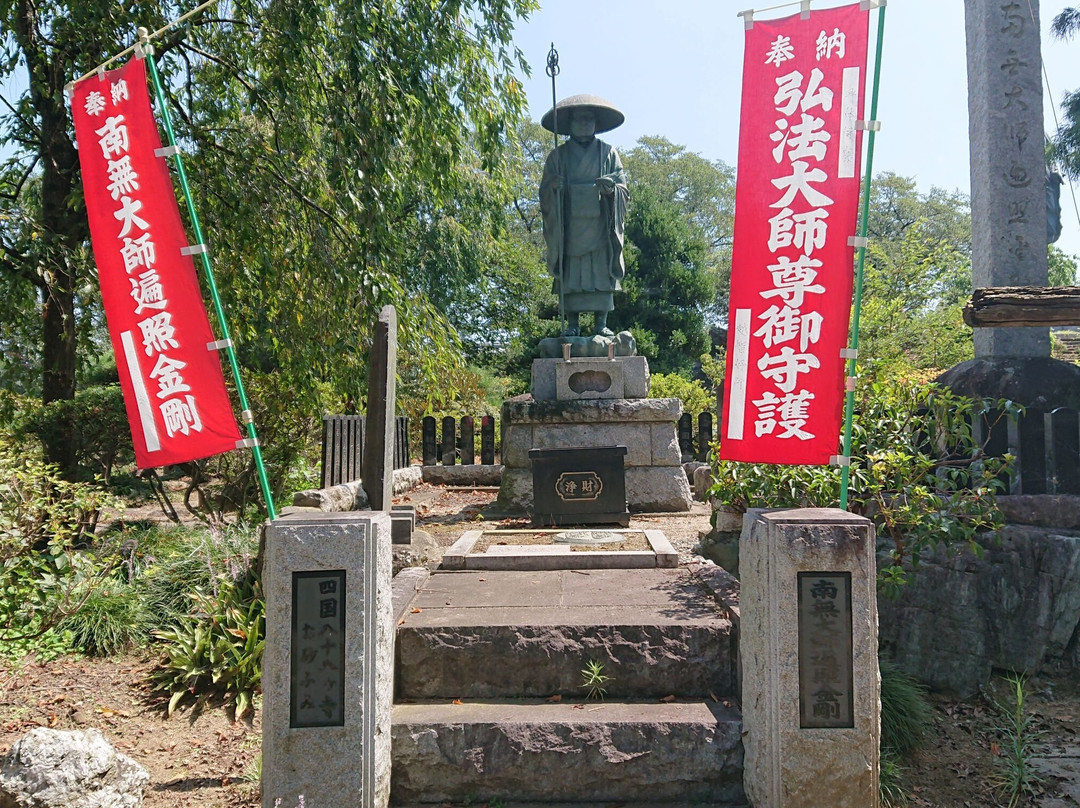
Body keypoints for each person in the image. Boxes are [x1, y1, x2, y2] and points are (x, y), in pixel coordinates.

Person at [540, 95, 629, 337]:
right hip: (569, 226)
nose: (585, 124)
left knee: (600, 272)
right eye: (579, 120)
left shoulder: (609, 153)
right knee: (572, 274)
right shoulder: (557, 157)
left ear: (596, 123)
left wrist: (611, 189)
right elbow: (545, 192)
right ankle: (572, 323)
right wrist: (554, 189)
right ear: (569, 124)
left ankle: (601, 322)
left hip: (600, 223)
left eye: (589, 119)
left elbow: (622, 186)